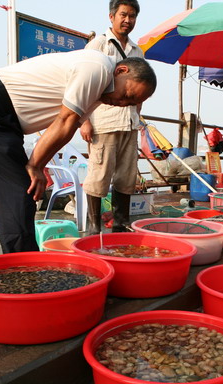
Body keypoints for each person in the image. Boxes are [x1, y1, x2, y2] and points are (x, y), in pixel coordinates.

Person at [0, 50, 157, 253]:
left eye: (129, 103)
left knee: (16, 192)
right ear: (121, 71)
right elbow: (65, 120)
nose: (120, 103)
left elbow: (67, 129)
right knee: (19, 191)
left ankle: (21, 264)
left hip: (2, 119)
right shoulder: (97, 68)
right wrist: (35, 165)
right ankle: (22, 269)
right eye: (126, 94)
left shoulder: (99, 92)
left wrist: (38, 164)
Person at [79, 0, 145, 235]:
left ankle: (120, 224)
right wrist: (84, 121)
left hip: (129, 122)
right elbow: (82, 83)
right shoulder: (98, 45)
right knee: (99, 174)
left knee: (127, 175)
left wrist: (138, 115)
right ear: (112, 16)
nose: (128, 20)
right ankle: (93, 227)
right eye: (123, 15)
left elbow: (140, 87)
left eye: (133, 16)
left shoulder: (138, 51)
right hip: (103, 121)